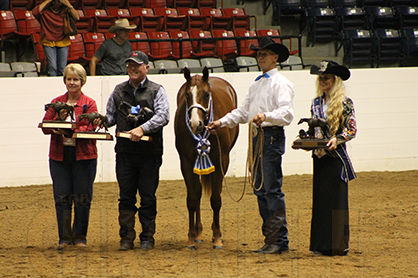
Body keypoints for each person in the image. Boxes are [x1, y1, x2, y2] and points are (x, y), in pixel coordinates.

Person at [207, 37, 294, 254]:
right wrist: (221, 122)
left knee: (271, 190)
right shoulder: (257, 83)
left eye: (264, 54)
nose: (260, 57)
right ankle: (271, 240)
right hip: (258, 137)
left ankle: (278, 241)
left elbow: (287, 113)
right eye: (259, 54)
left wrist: (266, 115)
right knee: (261, 189)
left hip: (270, 136)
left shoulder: (281, 83)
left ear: (275, 58)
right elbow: (243, 112)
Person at [105, 51, 170, 251]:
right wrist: (98, 120)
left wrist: (142, 128)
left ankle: (147, 238)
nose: (132, 68)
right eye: (129, 65)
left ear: (146, 68)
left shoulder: (156, 90)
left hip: (149, 153)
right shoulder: (118, 90)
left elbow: (164, 115)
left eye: (137, 65)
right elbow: (110, 117)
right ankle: (126, 238)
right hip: (125, 152)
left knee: (148, 196)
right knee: (126, 196)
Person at [41, 63, 98, 250]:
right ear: (64, 81)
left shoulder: (89, 103)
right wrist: (58, 122)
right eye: (69, 79)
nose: (72, 82)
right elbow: (45, 126)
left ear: (82, 81)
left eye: (76, 79)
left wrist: (68, 130)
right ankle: (64, 237)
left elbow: (90, 127)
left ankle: (80, 236)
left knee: (82, 197)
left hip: (84, 156)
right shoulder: (56, 101)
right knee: (62, 196)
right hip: (59, 156)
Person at [307, 60, 357, 256]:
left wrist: (338, 139)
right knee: (320, 201)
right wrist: (306, 141)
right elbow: (315, 130)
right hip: (319, 159)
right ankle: (320, 245)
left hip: (336, 159)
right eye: (320, 77)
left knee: (336, 202)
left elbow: (352, 130)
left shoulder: (346, 103)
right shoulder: (316, 103)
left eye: (326, 77)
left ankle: (337, 245)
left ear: (335, 80)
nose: (322, 81)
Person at [33, 0, 80, 76]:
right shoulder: (45, 11)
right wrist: (48, 1)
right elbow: (34, 12)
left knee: (62, 68)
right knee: (52, 67)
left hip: (63, 41)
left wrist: (69, 5)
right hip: (48, 41)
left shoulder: (65, 10)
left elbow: (77, 17)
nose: (58, 3)